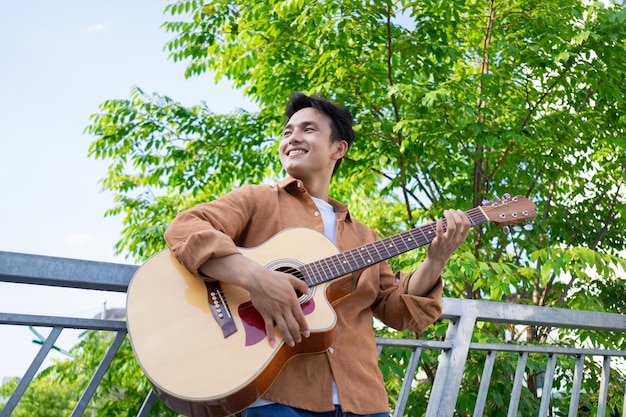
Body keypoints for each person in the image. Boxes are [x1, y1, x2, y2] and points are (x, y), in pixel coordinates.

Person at [163, 92, 471, 417]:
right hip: (278, 395)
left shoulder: (364, 237)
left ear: (339, 148)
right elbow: (185, 228)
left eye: (308, 129)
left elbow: (397, 312)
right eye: (287, 132)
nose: (293, 137)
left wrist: (436, 261)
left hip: (364, 400)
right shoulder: (258, 201)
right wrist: (257, 280)